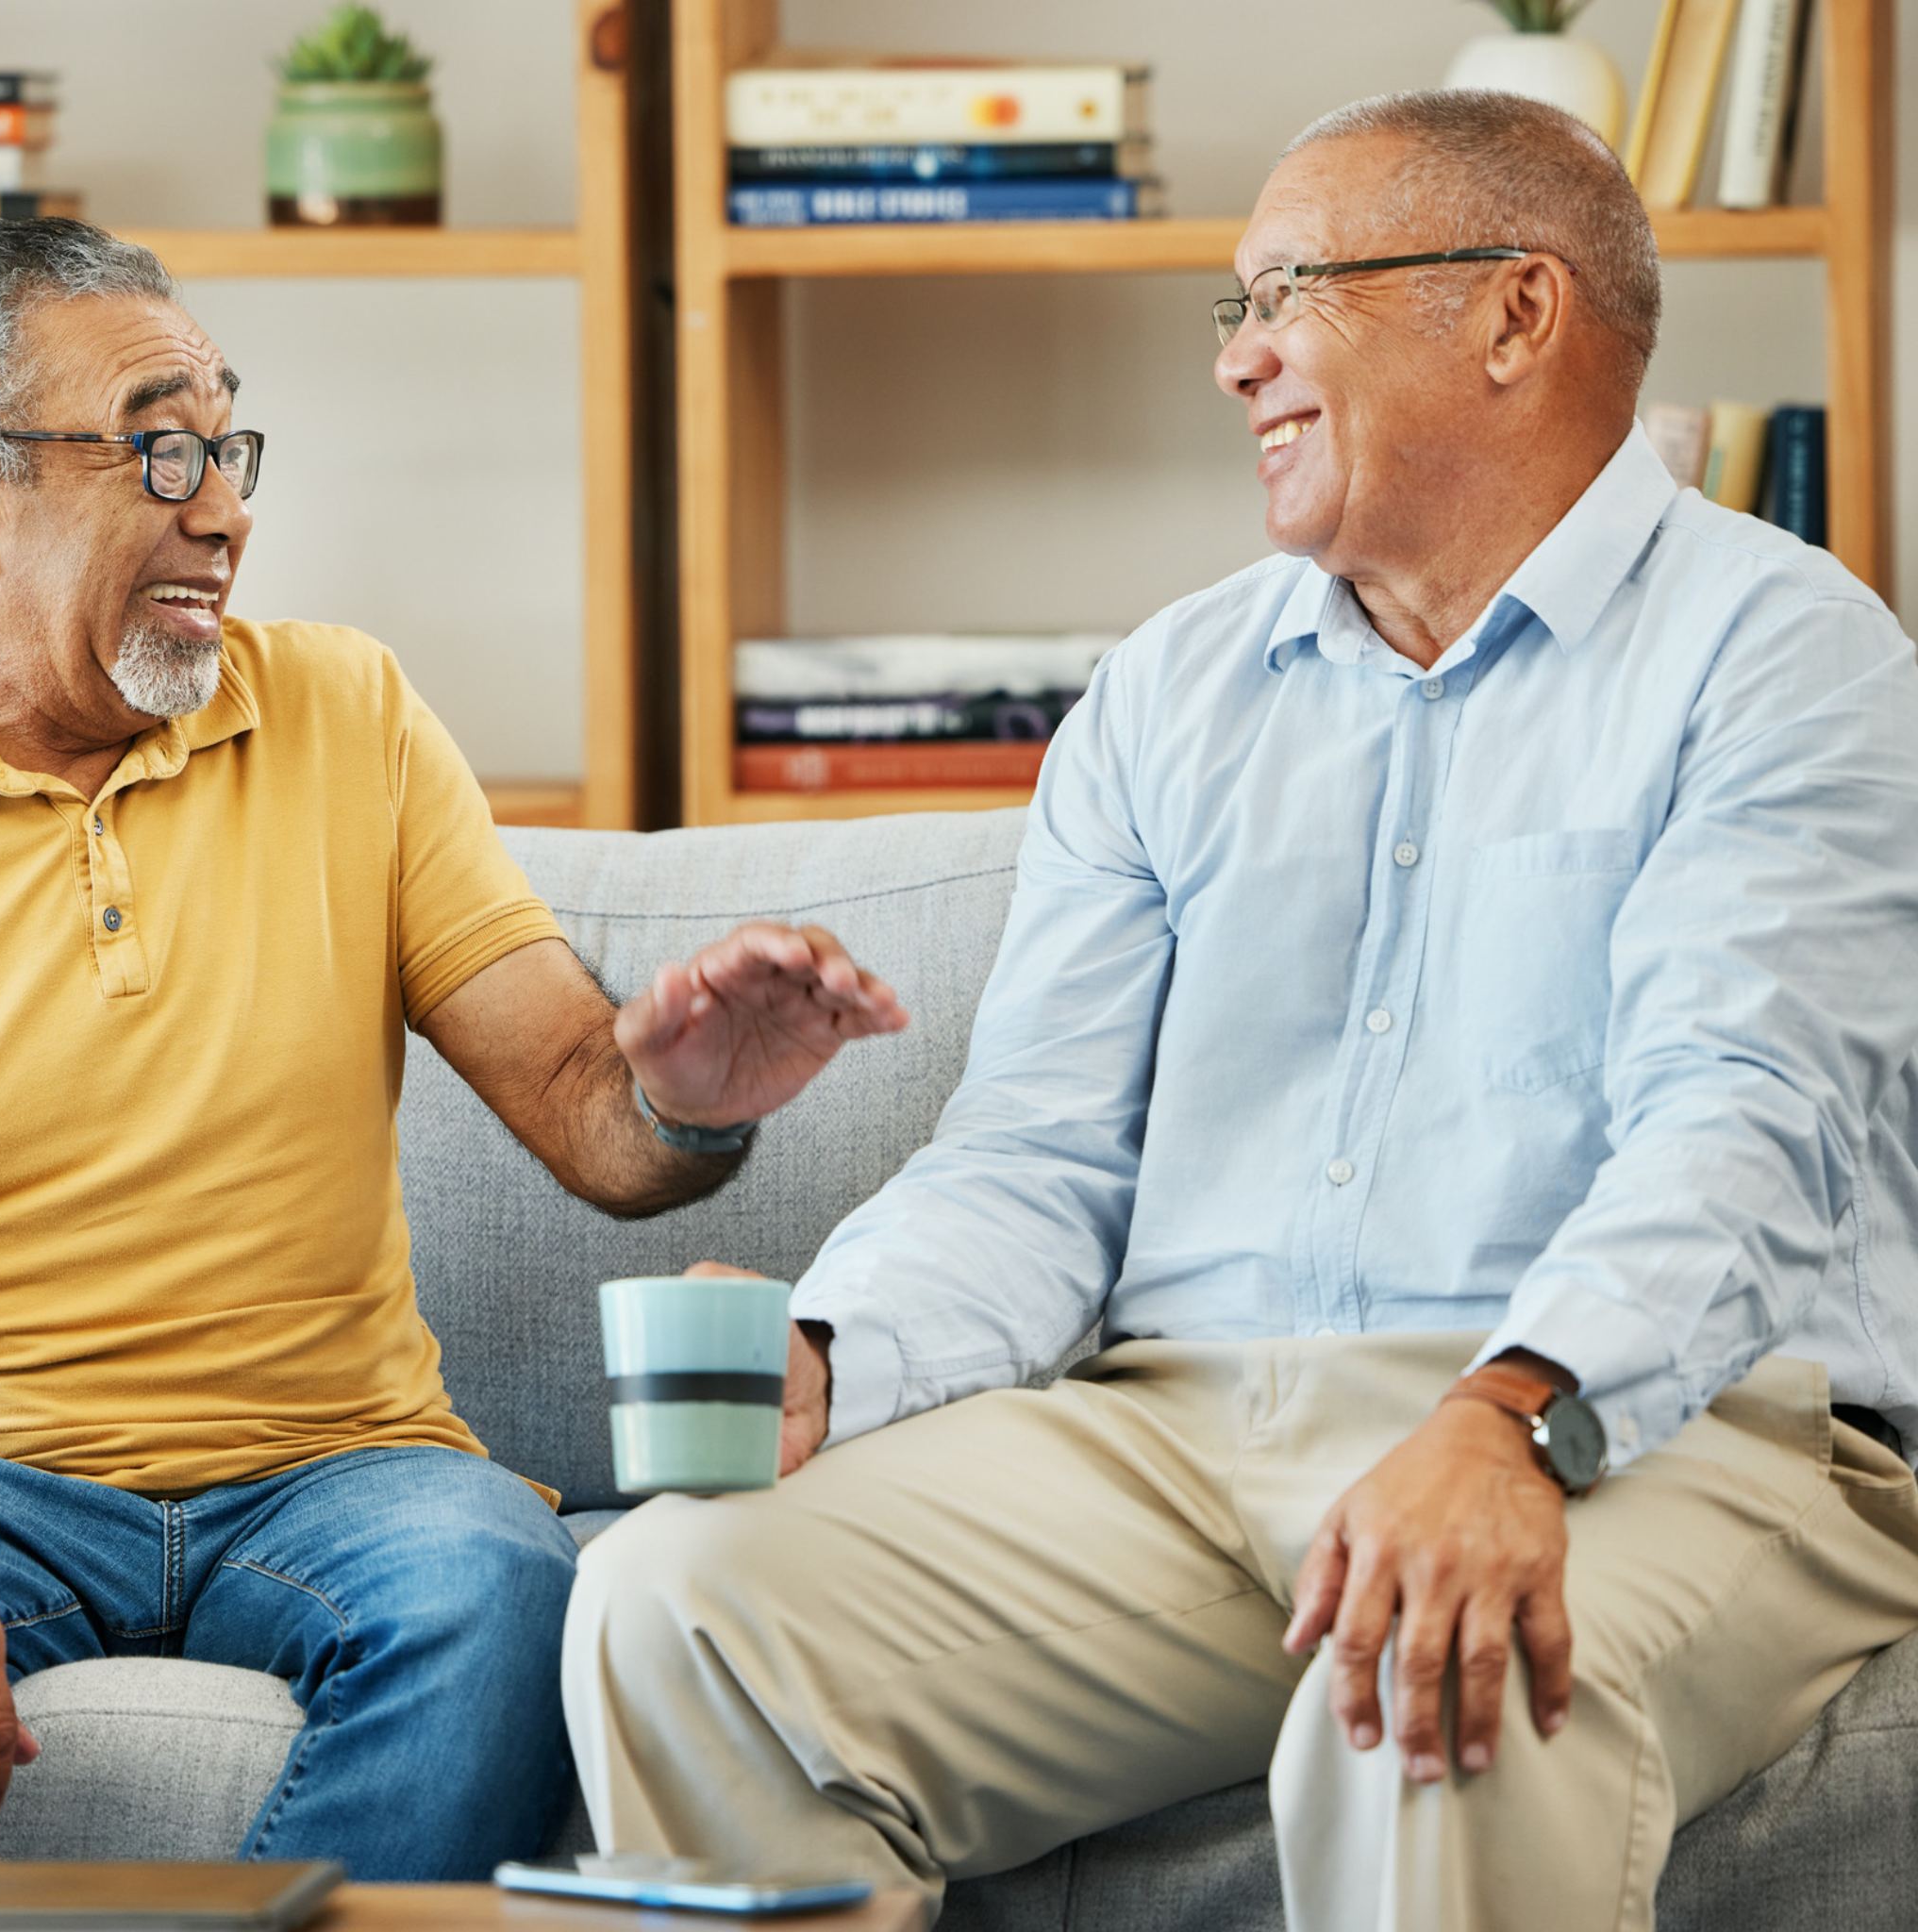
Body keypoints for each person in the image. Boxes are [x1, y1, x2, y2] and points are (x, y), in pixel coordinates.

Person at [561, 91, 1918, 1932]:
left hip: (1660, 1424)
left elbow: (1741, 1117)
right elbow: (1033, 1157)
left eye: (1287, 291)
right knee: (674, 1601)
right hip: (1183, 1432)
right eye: (1229, 308)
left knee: (1427, 1686)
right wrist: (827, 1357)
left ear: (1514, 314)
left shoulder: (1779, 652)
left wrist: (1506, 1416)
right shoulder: (1164, 692)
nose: (1237, 360)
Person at [0, 217, 906, 1877]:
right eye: (159, 445)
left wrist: (687, 1096)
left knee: (504, 1592)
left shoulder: (347, 716)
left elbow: (600, 1125)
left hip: (336, 1469)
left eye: (227, 444)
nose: (223, 507)